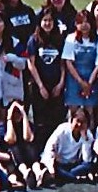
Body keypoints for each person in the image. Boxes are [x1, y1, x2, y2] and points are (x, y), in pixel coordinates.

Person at [27, 9, 69, 141]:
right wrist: (41, 86)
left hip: (56, 85)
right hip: (40, 85)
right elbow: (31, 64)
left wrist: (61, 84)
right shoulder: (34, 40)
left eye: (50, 20)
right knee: (41, 122)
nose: (47, 23)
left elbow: (63, 63)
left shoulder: (60, 39)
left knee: (57, 120)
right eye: (44, 20)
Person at [62, 10, 98, 119]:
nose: (84, 25)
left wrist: (89, 83)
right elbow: (68, 62)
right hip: (74, 79)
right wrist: (81, 82)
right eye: (81, 22)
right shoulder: (71, 39)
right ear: (76, 24)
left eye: (87, 22)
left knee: (89, 112)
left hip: (91, 78)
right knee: (74, 111)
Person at [42, 108, 97, 186]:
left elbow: (86, 159)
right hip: (59, 162)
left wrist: (85, 140)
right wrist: (52, 163)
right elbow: (49, 147)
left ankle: (65, 176)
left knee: (88, 166)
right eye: (77, 121)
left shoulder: (88, 135)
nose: (79, 125)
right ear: (71, 120)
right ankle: (72, 177)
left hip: (74, 165)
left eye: (83, 122)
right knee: (54, 167)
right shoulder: (62, 129)